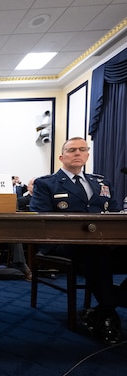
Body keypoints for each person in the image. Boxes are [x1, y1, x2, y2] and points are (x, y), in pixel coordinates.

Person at [29, 137, 127, 345]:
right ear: (61, 157)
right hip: (63, 243)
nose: (77, 153)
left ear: (88, 155)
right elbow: (40, 219)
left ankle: (104, 307)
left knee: (99, 252)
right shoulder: (46, 183)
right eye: (72, 150)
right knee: (93, 251)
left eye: (82, 149)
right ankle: (108, 311)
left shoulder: (102, 182)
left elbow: (116, 213)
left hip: (104, 243)